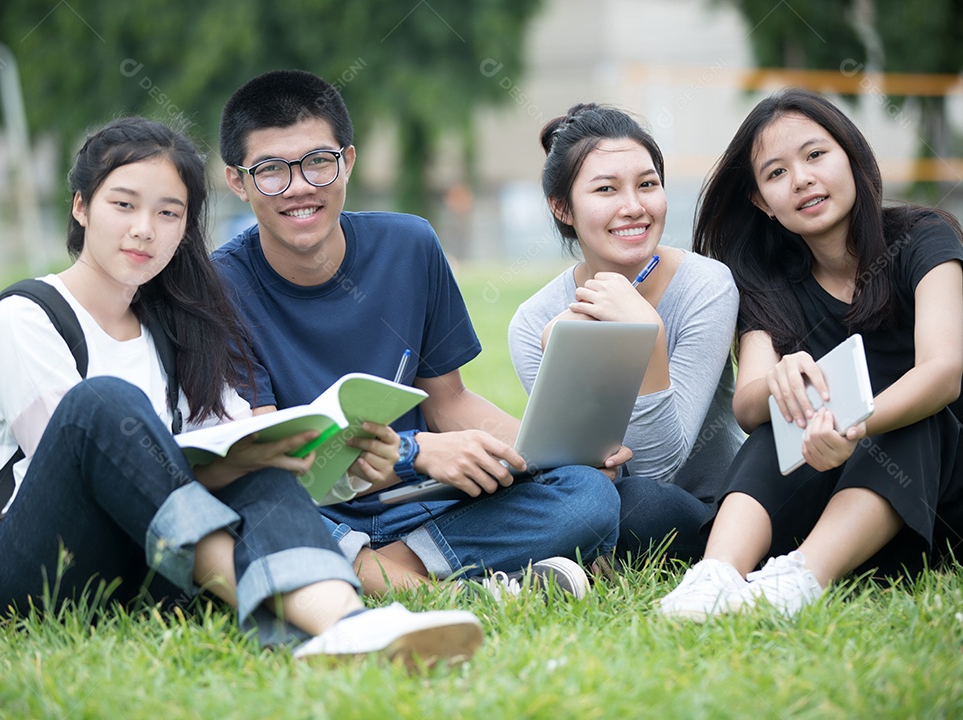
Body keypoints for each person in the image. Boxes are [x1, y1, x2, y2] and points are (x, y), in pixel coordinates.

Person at [0, 116, 483, 665]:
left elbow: (238, 442)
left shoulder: (181, 328)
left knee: (254, 460)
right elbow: (80, 466)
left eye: (169, 213)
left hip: (148, 573)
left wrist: (345, 459)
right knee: (103, 406)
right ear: (81, 207)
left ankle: (347, 624)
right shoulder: (25, 318)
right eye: (123, 205)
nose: (145, 229)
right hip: (34, 572)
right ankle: (284, 615)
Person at [212, 69, 621, 598]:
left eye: (318, 162)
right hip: (308, 510)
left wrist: (552, 450)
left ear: (348, 162)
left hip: (417, 505)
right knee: (248, 509)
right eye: (271, 171)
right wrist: (413, 452)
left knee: (587, 495)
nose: (300, 189)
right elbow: (272, 454)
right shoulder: (219, 288)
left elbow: (447, 400)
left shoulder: (409, 245)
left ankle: (379, 574)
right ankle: (453, 587)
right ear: (237, 181)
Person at [661, 87, 963, 620]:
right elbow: (749, 405)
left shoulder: (923, 238)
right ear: (760, 202)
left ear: (851, 155)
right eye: (775, 173)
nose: (801, 179)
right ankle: (715, 576)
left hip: (938, 495)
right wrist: (779, 379)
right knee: (781, 418)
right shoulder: (769, 281)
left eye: (816, 155)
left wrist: (854, 426)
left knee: (916, 417)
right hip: (832, 503)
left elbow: (943, 373)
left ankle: (801, 581)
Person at [508, 104, 743, 563]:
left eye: (647, 184)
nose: (633, 207)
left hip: (703, 510)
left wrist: (646, 333)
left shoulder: (706, 286)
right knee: (580, 505)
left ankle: (584, 561)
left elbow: (657, 470)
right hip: (598, 506)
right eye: (606, 189)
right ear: (562, 207)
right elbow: (574, 469)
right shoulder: (537, 323)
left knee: (641, 505)